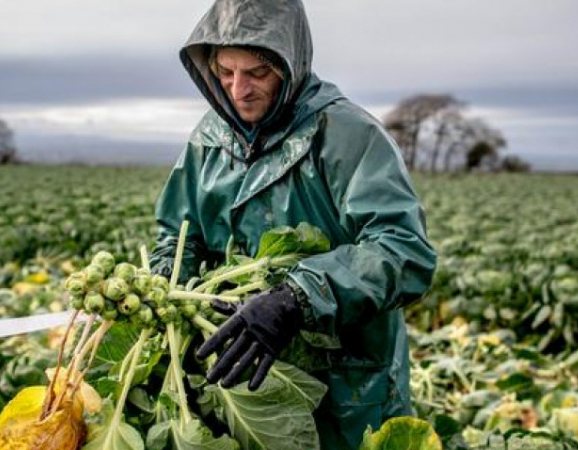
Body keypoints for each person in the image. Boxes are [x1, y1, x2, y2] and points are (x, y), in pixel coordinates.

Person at [149, 0, 437, 448]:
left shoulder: (348, 135)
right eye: (226, 72)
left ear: (291, 64)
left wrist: (297, 297)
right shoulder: (208, 140)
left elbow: (403, 250)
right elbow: (179, 236)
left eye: (257, 73)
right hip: (243, 373)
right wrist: (163, 294)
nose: (238, 89)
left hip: (346, 384)